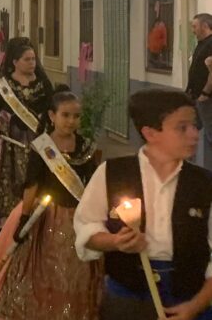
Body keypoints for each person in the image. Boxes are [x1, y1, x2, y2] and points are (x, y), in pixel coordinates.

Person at [74, 88, 212, 319]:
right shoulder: (112, 173)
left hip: (189, 297)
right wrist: (115, 241)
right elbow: (86, 227)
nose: (194, 134)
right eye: (182, 127)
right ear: (150, 133)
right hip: (128, 297)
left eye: (194, 125)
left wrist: (196, 306)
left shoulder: (204, 183)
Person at [0, 87, 102, 319]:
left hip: (77, 214)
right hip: (43, 216)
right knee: (43, 269)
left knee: (74, 271)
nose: (71, 121)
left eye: (76, 116)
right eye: (65, 115)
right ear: (52, 116)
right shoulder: (42, 146)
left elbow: (93, 183)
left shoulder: (86, 146)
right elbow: (31, 184)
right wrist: (24, 217)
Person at [0, 38, 52, 233]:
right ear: (15, 62)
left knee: (33, 176)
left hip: (36, 137)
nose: (32, 63)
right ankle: (4, 221)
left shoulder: (42, 84)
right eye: (27, 59)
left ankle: (33, 217)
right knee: (9, 177)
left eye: (34, 59)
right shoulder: (4, 85)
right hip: (10, 139)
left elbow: (52, 108)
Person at [188, 14, 212, 169]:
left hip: (206, 99)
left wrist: (206, 92)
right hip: (195, 96)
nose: (193, 30)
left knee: (210, 135)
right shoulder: (201, 44)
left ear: (204, 26)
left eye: (195, 26)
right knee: (187, 131)